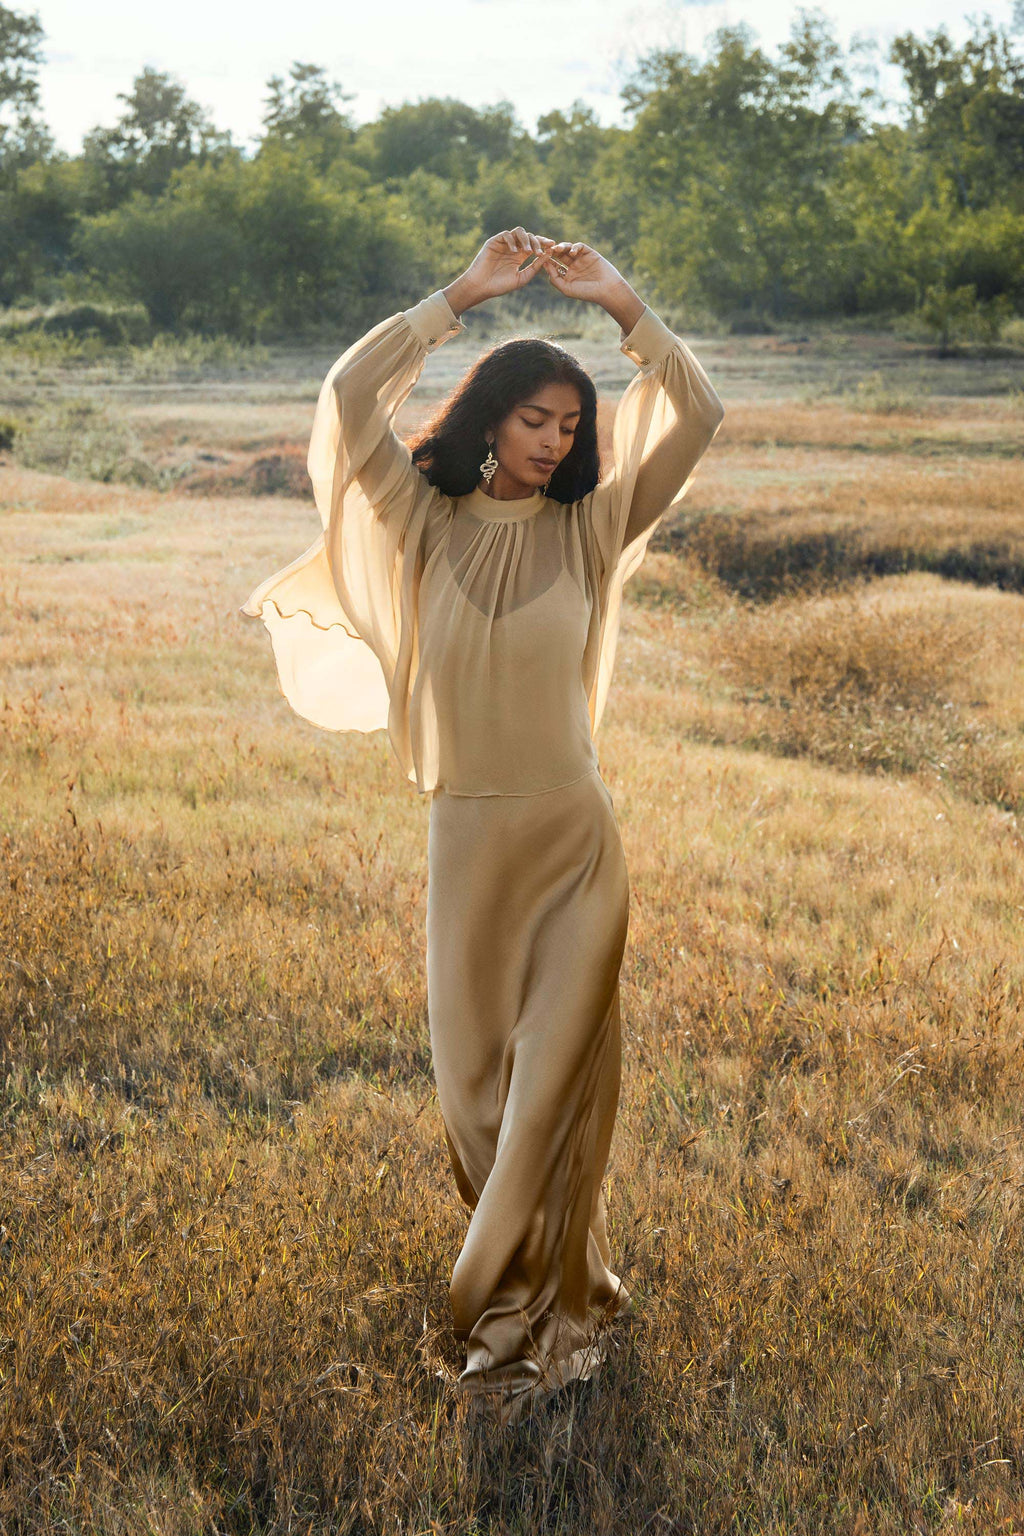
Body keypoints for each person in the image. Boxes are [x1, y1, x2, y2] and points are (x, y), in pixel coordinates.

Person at [240, 227, 725, 1425]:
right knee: (476, 1103)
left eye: (571, 424)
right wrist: (458, 296)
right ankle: (551, 1284)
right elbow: (346, 398)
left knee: (552, 1093)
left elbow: (699, 413)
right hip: (467, 842)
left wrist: (624, 307)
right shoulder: (423, 521)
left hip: (574, 846)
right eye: (535, 420)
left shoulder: (593, 527)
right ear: (491, 420)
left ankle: (509, 1328)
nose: (556, 439)